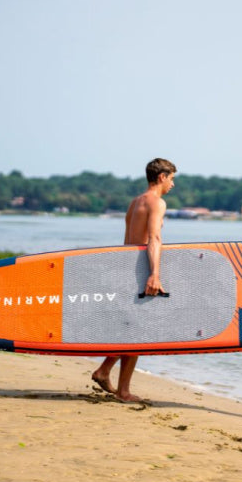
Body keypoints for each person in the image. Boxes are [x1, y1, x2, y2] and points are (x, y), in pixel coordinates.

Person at [91, 157, 177, 402]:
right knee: (136, 331)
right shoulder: (157, 203)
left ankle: (105, 371)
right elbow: (154, 239)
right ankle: (123, 390)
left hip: (124, 266)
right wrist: (154, 274)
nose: (172, 184)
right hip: (140, 269)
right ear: (162, 177)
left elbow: (128, 239)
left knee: (131, 328)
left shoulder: (134, 202)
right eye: (171, 179)